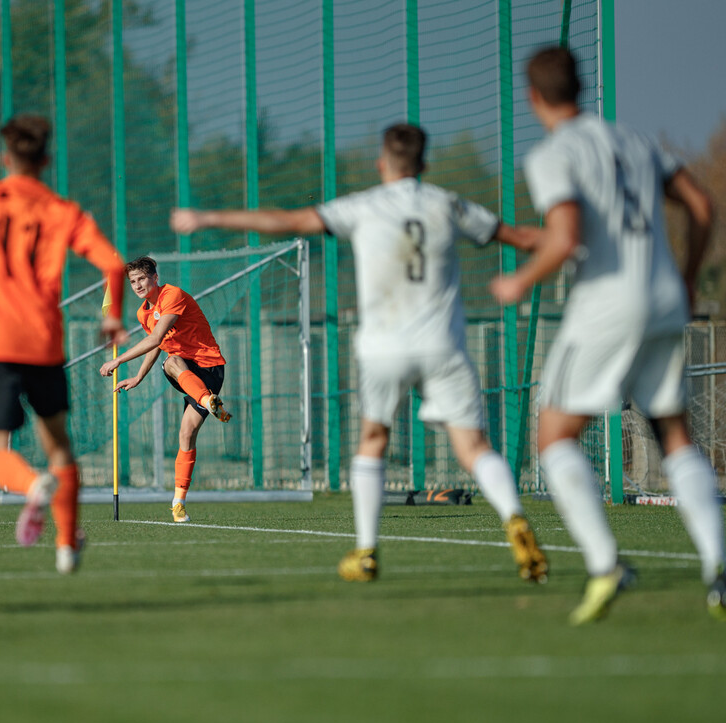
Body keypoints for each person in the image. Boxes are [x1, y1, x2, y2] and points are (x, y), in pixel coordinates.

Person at [171, 123, 548, 584]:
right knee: (473, 446)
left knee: (374, 440)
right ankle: (514, 517)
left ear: (381, 163)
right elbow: (524, 238)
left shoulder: (365, 205)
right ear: (424, 165)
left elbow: (288, 221)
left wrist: (211, 218)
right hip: (443, 345)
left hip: (384, 347)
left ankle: (367, 552)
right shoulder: (447, 203)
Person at [492, 46, 725, 624]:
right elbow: (700, 205)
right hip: (666, 297)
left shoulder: (554, 154)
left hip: (607, 303)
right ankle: (718, 569)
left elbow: (566, 236)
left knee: (555, 437)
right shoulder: (637, 140)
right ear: (582, 86)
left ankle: (605, 564)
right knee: (676, 437)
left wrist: (520, 281)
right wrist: (689, 276)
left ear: (533, 97)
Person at [0, 114, 127, 574]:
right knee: (59, 445)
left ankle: (29, 486)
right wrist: (113, 317)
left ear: (5, 158)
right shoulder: (65, 212)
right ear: (45, 160)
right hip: (44, 344)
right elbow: (115, 265)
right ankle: (66, 546)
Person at [99, 256, 232, 523]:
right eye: (132, 281)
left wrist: (118, 360)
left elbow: (156, 338)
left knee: (186, 433)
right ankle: (178, 505)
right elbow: (157, 345)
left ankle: (207, 399)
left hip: (209, 368)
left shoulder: (173, 295)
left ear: (155, 278)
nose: (137, 285)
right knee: (171, 362)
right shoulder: (143, 313)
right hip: (185, 373)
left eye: (141, 279)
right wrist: (138, 376)